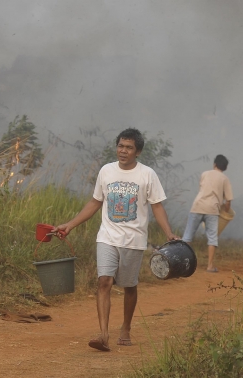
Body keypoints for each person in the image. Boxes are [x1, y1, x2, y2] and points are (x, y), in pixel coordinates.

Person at [52, 128, 179, 352]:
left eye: (129, 147)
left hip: (134, 240)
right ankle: (103, 335)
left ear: (137, 151)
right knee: (104, 282)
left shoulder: (146, 174)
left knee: (129, 286)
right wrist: (69, 225)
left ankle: (126, 328)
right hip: (107, 237)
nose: (123, 151)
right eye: (121, 146)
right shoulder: (106, 171)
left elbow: (157, 206)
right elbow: (94, 202)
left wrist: (168, 233)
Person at [181, 155, 233, 273]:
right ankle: (210, 266)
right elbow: (228, 201)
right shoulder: (224, 179)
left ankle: (183, 265)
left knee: (187, 236)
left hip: (197, 206)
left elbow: (203, 188)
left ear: (214, 164)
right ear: (225, 168)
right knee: (212, 239)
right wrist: (224, 212)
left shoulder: (205, 174)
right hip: (213, 210)